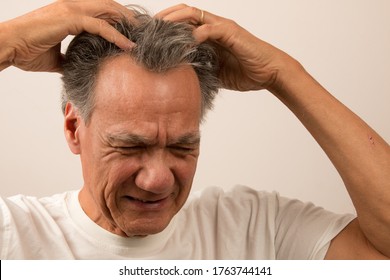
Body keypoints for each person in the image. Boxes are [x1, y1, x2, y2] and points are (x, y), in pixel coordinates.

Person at [0, 0, 389, 259]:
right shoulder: (14, 235)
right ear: (73, 129)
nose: (157, 180)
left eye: (183, 147)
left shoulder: (255, 229)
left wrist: (283, 75)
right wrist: (6, 41)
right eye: (131, 146)